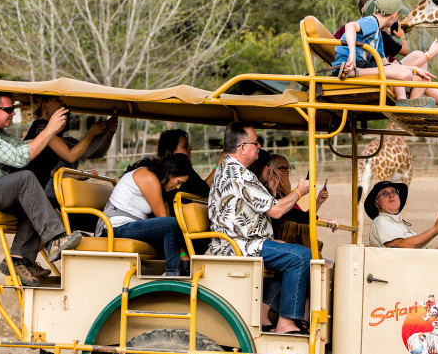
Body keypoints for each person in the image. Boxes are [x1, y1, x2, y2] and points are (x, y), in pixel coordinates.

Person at [0, 93, 83, 287]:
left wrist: (50, 133)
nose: (13, 114)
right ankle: (55, 240)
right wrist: (49, 129)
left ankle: (19, 259)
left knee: (36, 198)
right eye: (9, 110)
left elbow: (22, 146)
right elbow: (18, 159)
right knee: (26, 179)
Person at [208, 121, 312, 334]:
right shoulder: (240, 174)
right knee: (301, 256)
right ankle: (285, 324)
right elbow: (275, 211)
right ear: (243, 148)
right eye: (256, 143)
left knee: (290, 253)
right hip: (238, 246)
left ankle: (270, 317)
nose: (259, 146)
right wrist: (300, 191)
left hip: (242, 242)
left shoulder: (228, 169)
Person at [335, 0, 438, 109]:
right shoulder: (371, 22)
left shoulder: (378, 35)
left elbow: (386, 64)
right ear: (394, 15)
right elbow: (350, 26)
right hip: (348, 66)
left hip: (360, 65)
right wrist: (352, 53)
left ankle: (403, 103)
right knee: (404, 74)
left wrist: (414, 69)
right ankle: (355, 73)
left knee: (403, 72)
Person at [95, 155, 192, 276]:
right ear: (170, 173)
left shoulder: (160, 185)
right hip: (113, 229)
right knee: (171, 225)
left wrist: (183, 254)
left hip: (128, 227)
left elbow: (166, 218)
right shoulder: (149, 178)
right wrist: (183, 255)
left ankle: (176, 270)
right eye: (179, 182)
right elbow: (165, 220)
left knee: (172, 225)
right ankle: (173, 274)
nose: (178, 187)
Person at [366, 180, 438, 249]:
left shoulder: (399, 225)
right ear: (377, 204)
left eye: (394, 191)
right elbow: (400, 246)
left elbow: (430, 258)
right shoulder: (380, 221)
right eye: (384, 194)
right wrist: (435, 230)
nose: (391, 195)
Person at [268, 153, 337, 249]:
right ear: (271, 170)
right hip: (275, 235)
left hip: (288, 234)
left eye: (287, 168)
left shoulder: (284, 191)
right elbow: (293, 215)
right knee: (301, 227)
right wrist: (296, 192)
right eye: (282, 168)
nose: (286, 172)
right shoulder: (268, 190)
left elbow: (301, 215)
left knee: (303, 226)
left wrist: (318, 202)